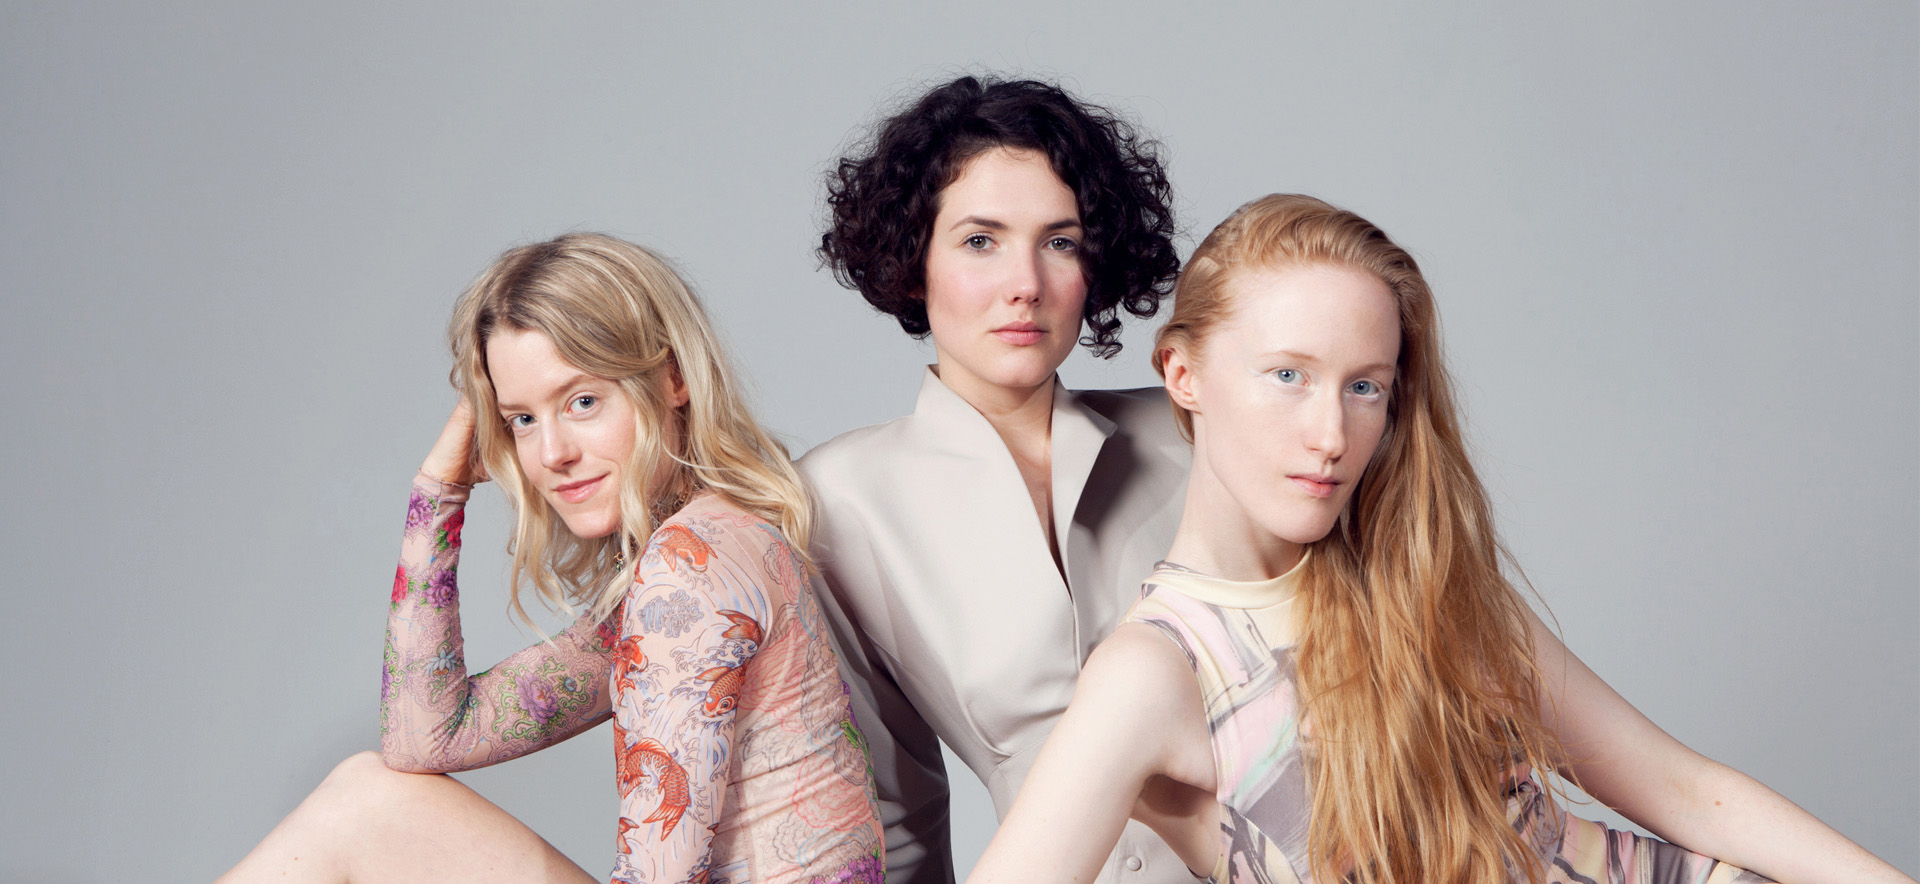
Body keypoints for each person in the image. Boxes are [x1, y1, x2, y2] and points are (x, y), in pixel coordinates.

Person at [963, 194, 1915, 884]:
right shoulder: (1157, 670)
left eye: (1364, 387)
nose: (1330, 434)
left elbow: (1683, 791)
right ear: (1182, 373)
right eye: (1287, 375)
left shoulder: (1422, 581)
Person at [220, 234, 882, 884]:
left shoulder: (687, 572)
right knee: (367, 795)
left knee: (361, 811)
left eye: (582, 402)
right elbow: (424, 737)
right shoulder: (711, 551)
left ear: (673, 378)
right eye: (522, 420)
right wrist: (439, 490)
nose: (552, 453)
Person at [802, 75, 1191, 883]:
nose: (1026, 284)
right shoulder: (838, 501)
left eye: (1060, 242)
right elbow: (893, 811)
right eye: (981, 241)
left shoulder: (1194, 430)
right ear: (915, 261)